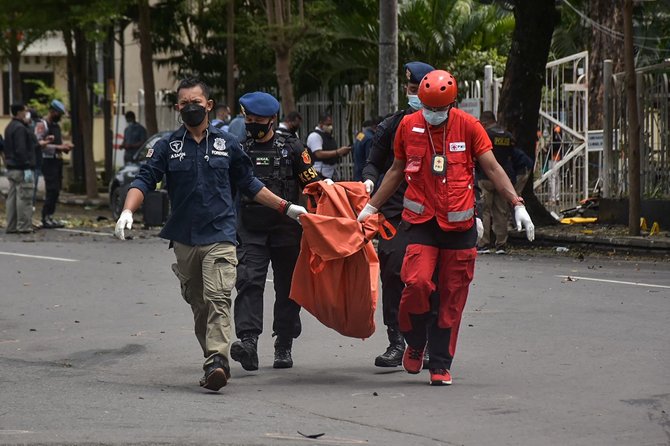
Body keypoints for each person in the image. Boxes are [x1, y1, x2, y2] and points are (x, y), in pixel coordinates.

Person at [113, 78, 308, 392]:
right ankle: (211, 355)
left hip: (221, 234)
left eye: (196, 101)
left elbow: (250, 185)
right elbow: (144, 180)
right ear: (178, 107)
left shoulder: (228, 144)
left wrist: (286, 207)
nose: (190, 106)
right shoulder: (166, 146)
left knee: (218, 298)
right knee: (200, 304)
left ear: (208, 104)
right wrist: (127, 210)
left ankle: (218, 361)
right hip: (185, 239)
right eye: (184, 102)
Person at [357, 70, 535, 386]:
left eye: (439, 110)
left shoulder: (469, 127)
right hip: (421, 224)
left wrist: (516, 203)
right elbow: (396, 171)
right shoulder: (408, 127)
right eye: (427, 108)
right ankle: (414, 340)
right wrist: (370, 207)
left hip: (459, 226)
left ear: (452, 104)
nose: (432, 115)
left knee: (451, 298)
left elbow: (492, 167)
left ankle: (440, 364)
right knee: (417, 284)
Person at [230, 92, 325, 372]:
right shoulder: (239, 148)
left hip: (287, 229)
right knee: (248, 280)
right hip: (251, 227)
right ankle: (248, 342)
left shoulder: (293, 147)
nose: (252, 123)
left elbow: (312, 184)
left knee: (288, 288)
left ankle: (284, 341)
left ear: (272, 119)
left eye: (258, 119)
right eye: (248, 118)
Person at [361, 61, 434, 368]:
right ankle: (396, 341)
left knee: (427, 281)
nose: (413, 94)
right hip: (394, 211)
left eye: (418, 89)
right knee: (392, 272)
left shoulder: (447, 125)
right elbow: (375, 162)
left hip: (432, 213)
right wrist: (367, 180)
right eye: (410, 89)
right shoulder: (394, 124)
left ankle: (427, 342)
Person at [476, 111, 516, 255]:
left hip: (485, 177)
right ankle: (501, 244)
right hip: (502, 179)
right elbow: (512, 155)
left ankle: (484, 243)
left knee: (485, 210)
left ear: (484, 123)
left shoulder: (485, 134)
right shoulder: (507, 135)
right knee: (501, 211)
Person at [35, 99, 73, 229]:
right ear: (52, 111)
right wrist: (58, 147)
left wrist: (65, 148)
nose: (60, 117)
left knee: (56, 190)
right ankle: (45, 217)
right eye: (58, 114)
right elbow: (39, 144)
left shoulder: (56, 126)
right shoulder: (42, 124)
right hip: (48, 160)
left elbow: (58, 143)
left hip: (57, 159)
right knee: (51, 189)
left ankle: (50, 215)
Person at [4, 103, 38, 234]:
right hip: (22, 168)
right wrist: (26, 166)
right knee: (25, 197)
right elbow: (21, 149)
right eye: (25, 110)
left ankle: (12, 225)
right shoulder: (20, 128)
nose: (27, 112)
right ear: (19, 112)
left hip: (12, 167)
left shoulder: (9, 127)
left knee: (12, 198)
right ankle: (24, 226)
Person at [305, 112, 351, 180]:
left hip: (331, 172)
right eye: (328, 124)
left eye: (331, 124)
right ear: (321, 124)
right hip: (320, 171)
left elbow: (331, 150)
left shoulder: (327, 136)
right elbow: (318, 154)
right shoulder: (315, 136)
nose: (330, 127)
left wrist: (341, 153)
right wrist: (338, 152)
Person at [352, 117, 380, 181]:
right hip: (365, 173)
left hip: (357, 169)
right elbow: (369, 158)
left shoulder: (361, 134)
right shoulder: (370, 138)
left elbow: (355, 146)